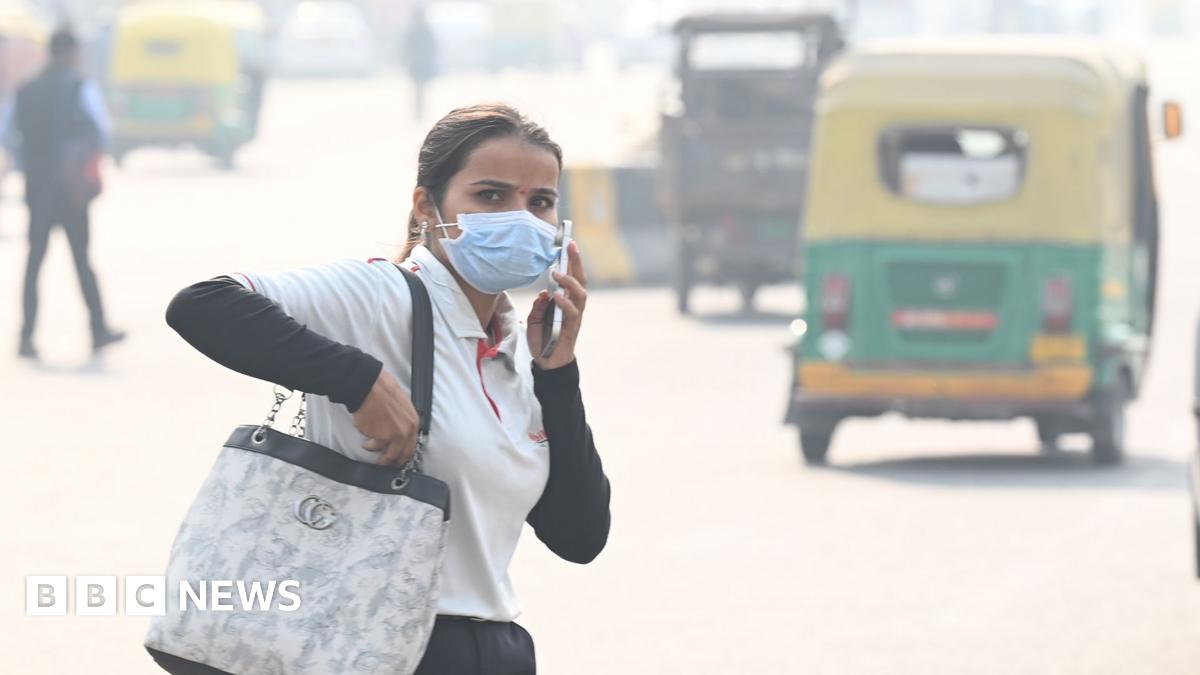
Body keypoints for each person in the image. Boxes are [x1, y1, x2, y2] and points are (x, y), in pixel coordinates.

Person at [159, 103, 611, 674]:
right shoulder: (381, 295)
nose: (519, 218)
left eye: (539, 202)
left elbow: (580, 535)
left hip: (494, 650)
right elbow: (202, 305)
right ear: (427, 206)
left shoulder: (514, 345)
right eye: (491, 196)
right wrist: (359, 380)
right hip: (371, 644)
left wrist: (558, 377)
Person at [6, 26, 125, 359]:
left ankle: (26, 338)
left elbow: (8, 133)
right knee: (82, 261)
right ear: (73, 53)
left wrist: (28, 164)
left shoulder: (26, 89)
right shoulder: (79, 87)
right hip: (72, 191)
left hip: (38, 187)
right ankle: (98, 330)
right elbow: (102, 131)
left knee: (34, 263)